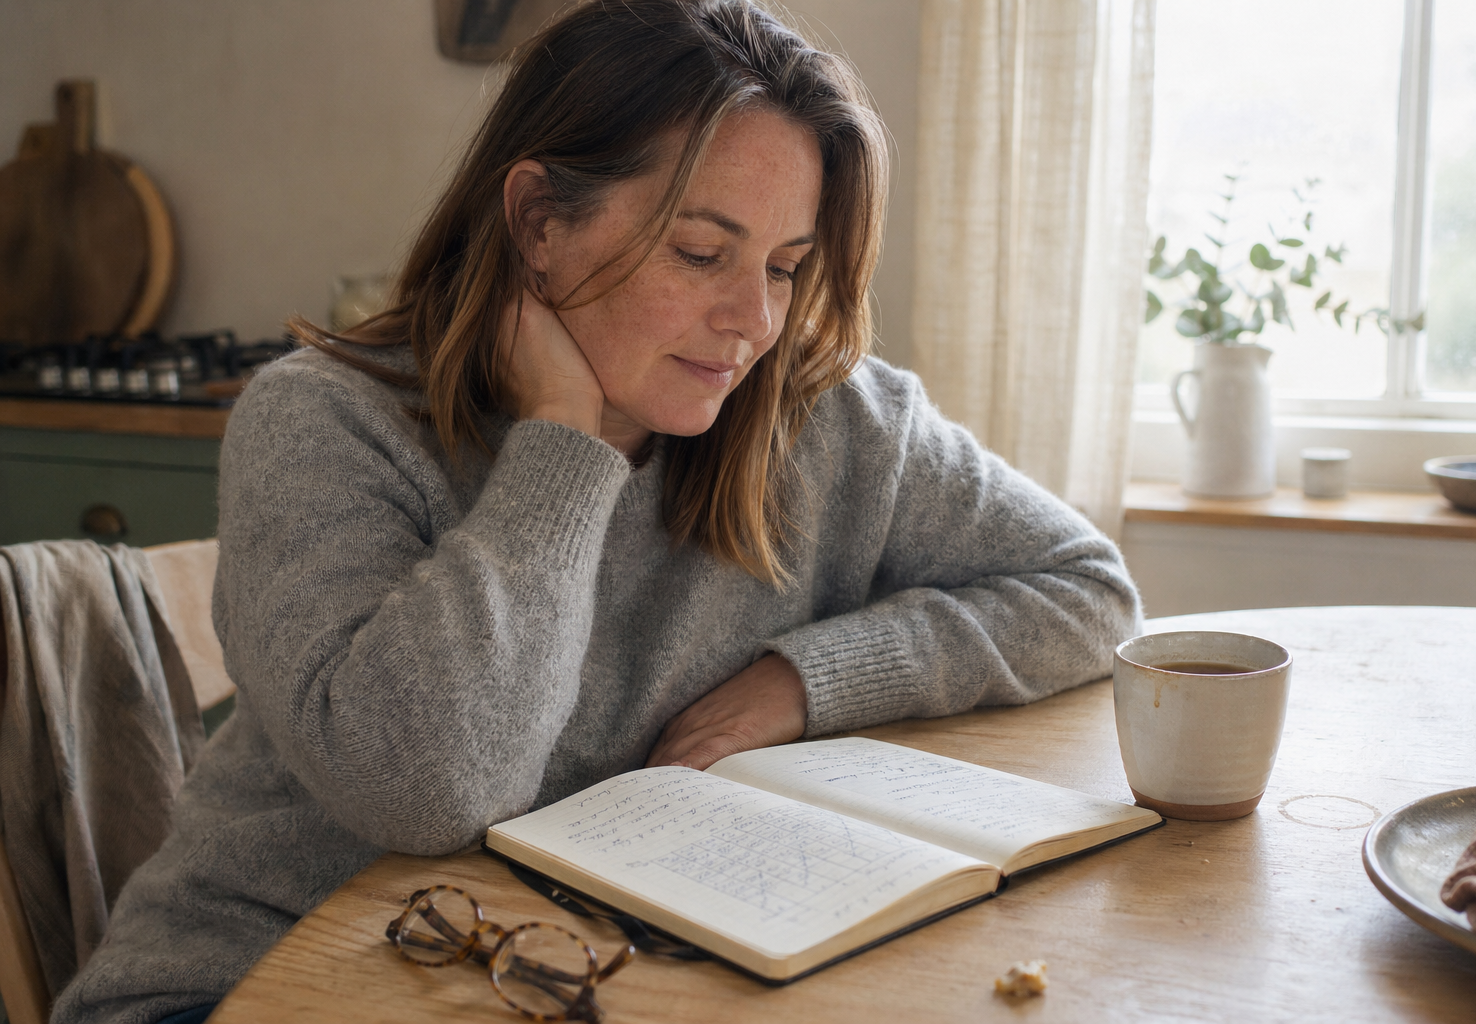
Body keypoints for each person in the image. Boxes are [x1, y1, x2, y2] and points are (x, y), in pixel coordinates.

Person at [53, 2, 1140, 1021]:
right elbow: (432, 793)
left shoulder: (828, 419)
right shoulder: (324, 423)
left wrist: (801, 682)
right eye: (701, 253)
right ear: (537, 220)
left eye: (785, 267)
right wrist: (564, 444)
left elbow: (1088, 591)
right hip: (246, 985)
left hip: (563, 978)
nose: (753, 320)